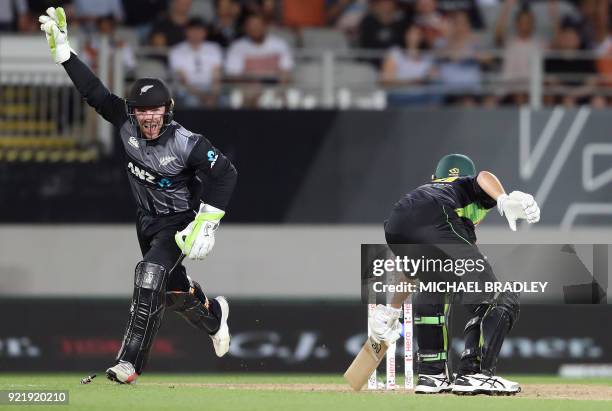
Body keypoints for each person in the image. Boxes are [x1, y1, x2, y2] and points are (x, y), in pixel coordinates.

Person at [39, 7, 238, 384]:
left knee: (148, 276)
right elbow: (94, 92)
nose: (148, 118)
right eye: (142, 111)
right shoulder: (126, 123)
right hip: (146, 222)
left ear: (167, 110)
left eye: (155, 111)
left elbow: (225, 173)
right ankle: (214, 320)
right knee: (174, 290)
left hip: (180, 223)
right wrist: (65, 54)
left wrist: (208, 221)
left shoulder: (186, 143)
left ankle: (128, 364)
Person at [371, 154, 540, 395]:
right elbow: (483, 177)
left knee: (434, 282)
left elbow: (410, 273)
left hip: (396, 225)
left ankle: (432, 375)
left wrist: (392, 310)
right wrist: (502, 198)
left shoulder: (427, 193)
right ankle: (475, 374)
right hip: (438, 219)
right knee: (498, 297)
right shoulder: (463, 188)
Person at [169, 17, 223, 107]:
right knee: (192, 101)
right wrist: (202, 96)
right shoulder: (177, 51)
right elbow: (183, 80)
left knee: (225, 100)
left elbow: (216, 76)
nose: (196, 34)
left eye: (199, 30)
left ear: (205, 32)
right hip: (186, 91)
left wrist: (214, 95)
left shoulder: (214, 48)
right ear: (186, 32)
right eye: (192, 30)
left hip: (209, 89)